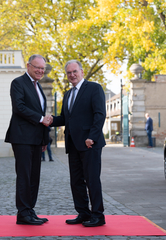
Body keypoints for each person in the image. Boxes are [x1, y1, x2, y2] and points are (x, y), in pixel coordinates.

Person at [49, 60, 106, 227]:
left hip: (90, 144)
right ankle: (83, 212)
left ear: (81, 71)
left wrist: (92, 137)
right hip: (73, 144)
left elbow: (99, 114)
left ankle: (98, 215)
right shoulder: (67, 94)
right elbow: (66, 119)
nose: (72, 75)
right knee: (76, 181)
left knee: (92, 179)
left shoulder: (94, 88)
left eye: (74, 71)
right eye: (69, 73)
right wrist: (49, 120)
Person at [5, 54, 52, 225]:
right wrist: (41, 119)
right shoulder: (18, 83)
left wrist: (44, 139)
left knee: (34, 176)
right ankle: (23, 213)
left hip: (36, 139)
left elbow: (42, 115)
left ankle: (30, 211)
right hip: (22, 137)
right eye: (37, 67)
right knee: (24, 176)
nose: (40, 71)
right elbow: (20, 108)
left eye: (42, 68)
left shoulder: (38, 87)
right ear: (28, 66)